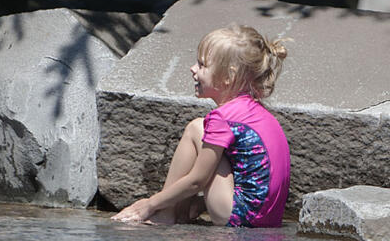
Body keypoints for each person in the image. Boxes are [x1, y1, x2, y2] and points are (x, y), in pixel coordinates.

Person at [113, 25, 291, 227]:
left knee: (196, 129)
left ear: (228, 77)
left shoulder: (222, 118)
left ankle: (166, 212)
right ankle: (181, 210)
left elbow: (197, 180)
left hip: (238, 216)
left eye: (202, 64)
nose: (193, 69)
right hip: (268, 219)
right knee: (208, 138)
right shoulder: (257, 112)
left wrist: (149, 204)